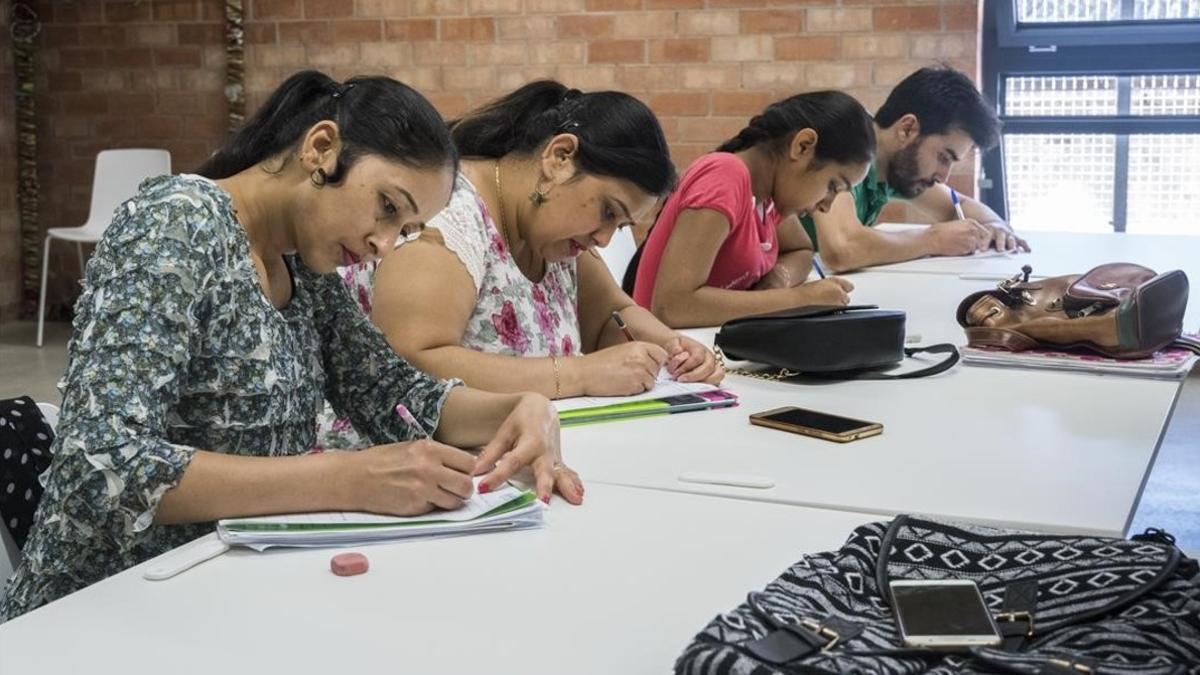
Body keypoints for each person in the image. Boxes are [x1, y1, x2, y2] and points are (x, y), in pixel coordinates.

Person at [0, 71, 581, 622]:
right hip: (100, 605)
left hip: (215, 588)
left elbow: (397, 395)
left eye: (403, 230)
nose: (382, 245)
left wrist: (519, 407)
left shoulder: (304, 271)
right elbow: (101, 464)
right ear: (321, 148)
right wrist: (344, 478)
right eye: (386, 207)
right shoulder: (173, 226)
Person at [317, 81, 721, 435]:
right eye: (608, 212)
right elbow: (410, 362)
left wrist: (673, 348)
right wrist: (581, 375)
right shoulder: (450, 214)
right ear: (560, 158)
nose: (602, 238)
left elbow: (612, 314)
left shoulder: (554, 237)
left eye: (620, 226)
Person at [628, 90, 875, 329]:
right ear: (802, 146)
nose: (826, 206)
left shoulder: (769, 197)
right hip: (664, 356)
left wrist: (778, 279)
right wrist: (799, 299)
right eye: (832, 186)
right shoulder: (725, 177)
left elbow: (801, 251)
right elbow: (673, 306)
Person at [802, 66, 1030, 274]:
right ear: (907, 129)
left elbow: (958, 205)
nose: (943, 176)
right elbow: (842, 249)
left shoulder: (894, 166)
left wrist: (996, 226)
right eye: (943, 157)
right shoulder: (846, 142)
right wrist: (933, 239)